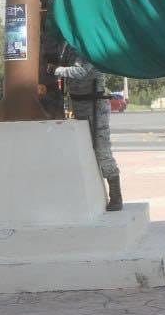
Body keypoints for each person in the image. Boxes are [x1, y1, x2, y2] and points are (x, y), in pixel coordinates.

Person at [49, 49, 122, 211]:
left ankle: (116, 196)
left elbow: (81, 71)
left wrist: (55, 70)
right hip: (78, 104)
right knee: (84, 149)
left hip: (95, 104)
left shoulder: (87, 46)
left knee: (102, 151)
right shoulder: (67, 47)